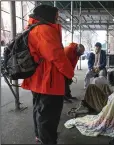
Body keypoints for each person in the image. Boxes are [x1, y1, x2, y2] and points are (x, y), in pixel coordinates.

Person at [21, 5, 74, 144]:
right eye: (56, 15)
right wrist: (69, 73)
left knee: (40, 110)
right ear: (47, 15)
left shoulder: (33, 28)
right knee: (49, 115)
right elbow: (57, 56)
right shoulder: (44, 30)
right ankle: (48, 140)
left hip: (38, 79)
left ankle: (40, 136)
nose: (58, 18)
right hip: (48, 81)